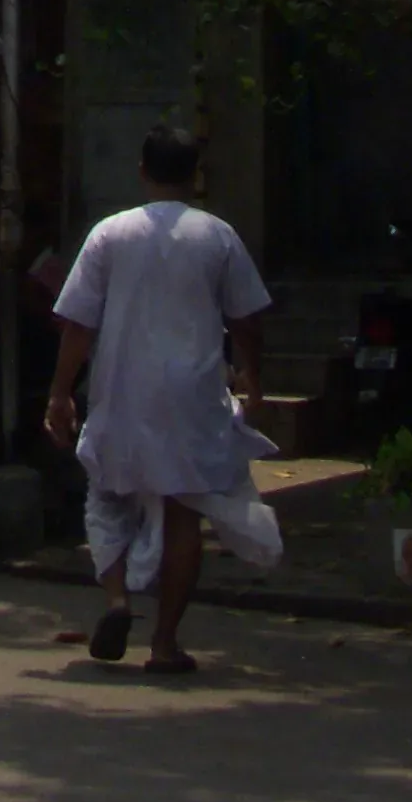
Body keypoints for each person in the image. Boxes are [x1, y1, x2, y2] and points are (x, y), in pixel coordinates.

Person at [44, 124, 281, 676]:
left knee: (106, 499)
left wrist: (59, 393)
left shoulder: (110, 233)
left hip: (121, 389)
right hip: (193, 394)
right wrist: (252, 376)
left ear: (143, 172)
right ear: (194, 177)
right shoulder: (218, 235)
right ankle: (166, 644)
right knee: (182, 515)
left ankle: (117, 601)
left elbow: (78, 324)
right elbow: (246, 319)